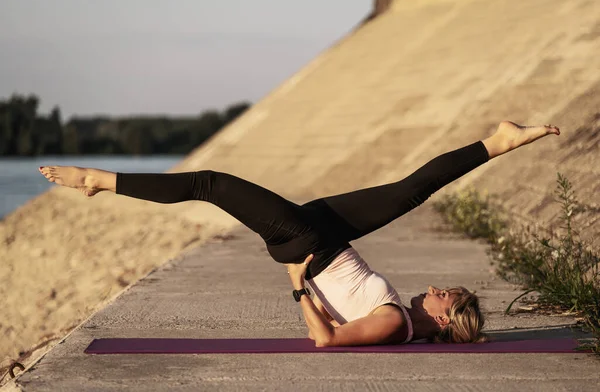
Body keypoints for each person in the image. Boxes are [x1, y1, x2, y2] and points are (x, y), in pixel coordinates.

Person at [39, 120, 560, 347]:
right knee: (407, 191)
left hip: (307, 245)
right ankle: (499, 142)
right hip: (327, 236)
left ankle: (98, 181)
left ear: (443, 318)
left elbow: (325, 340)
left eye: (447, 295)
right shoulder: (399, 317)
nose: (438, 288)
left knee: (210, 183)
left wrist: (296, 283)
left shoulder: (393, 326)